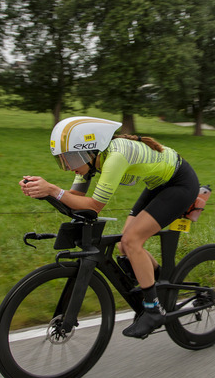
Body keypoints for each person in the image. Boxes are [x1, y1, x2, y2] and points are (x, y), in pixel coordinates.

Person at [20, 116, 199, 338]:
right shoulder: (90, 162)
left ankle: (153, 310)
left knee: (131, 241)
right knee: (124, 246)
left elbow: (93, 207)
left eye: (71, 158)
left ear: (90, 151)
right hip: (159, 183)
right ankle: (162, 286)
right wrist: (44, 192)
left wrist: (53, 190)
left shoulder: (115, 158)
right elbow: (74, 198)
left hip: (180, 184)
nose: (68, 167)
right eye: (62, 160)